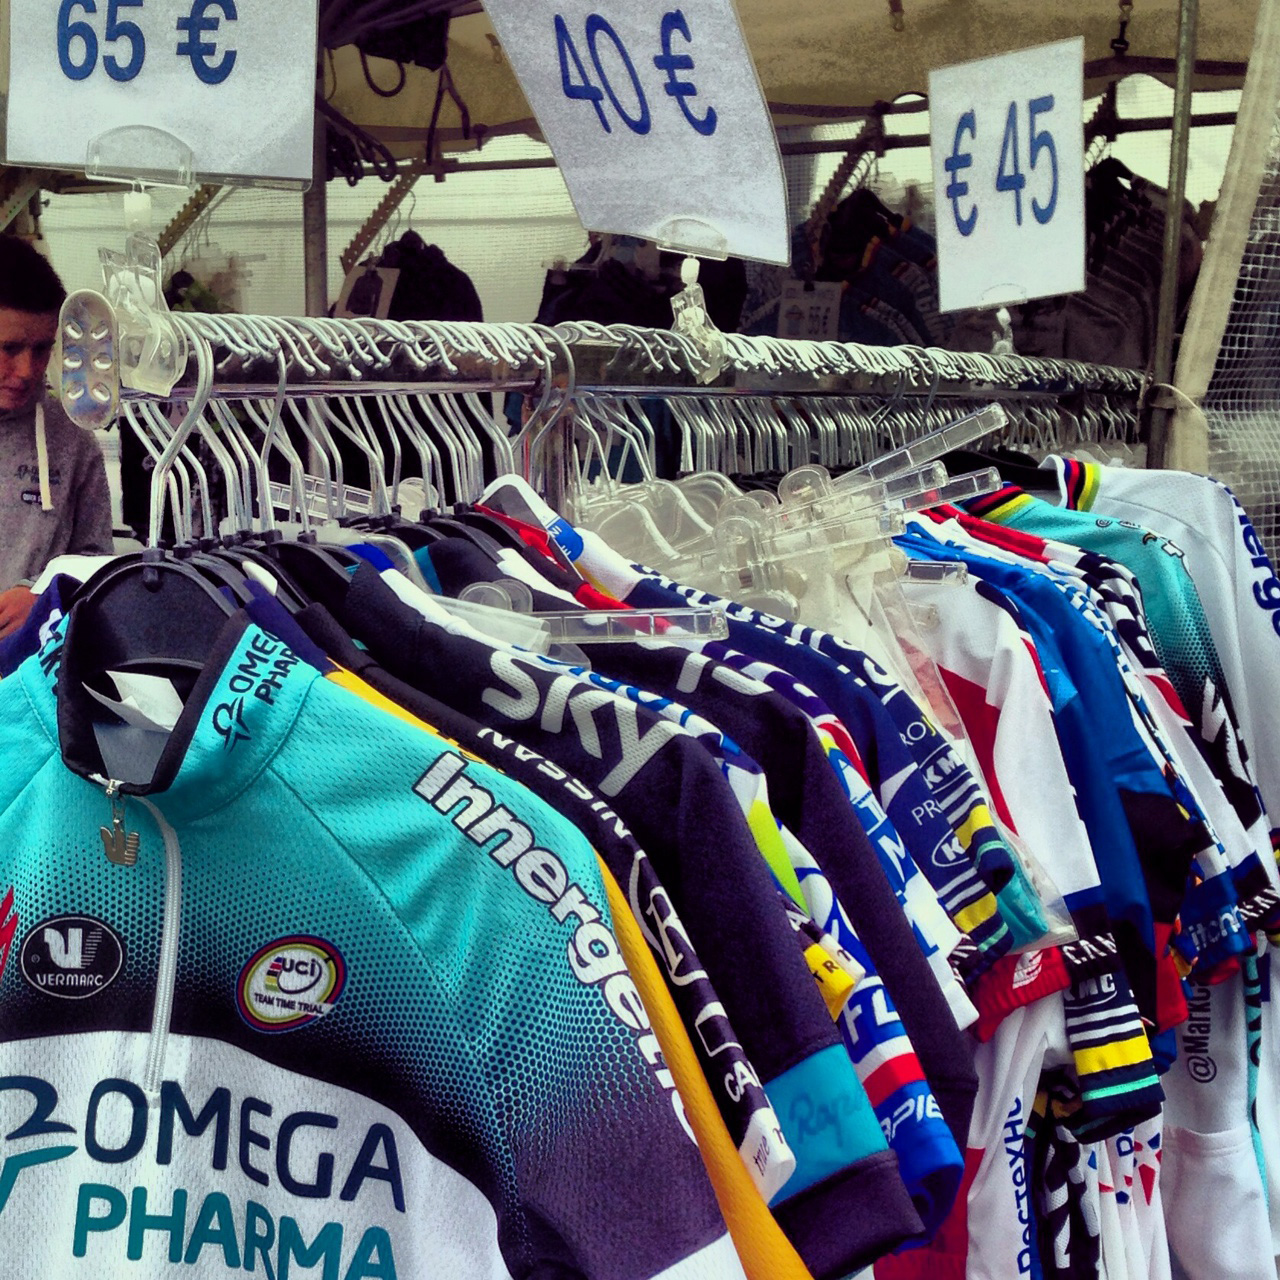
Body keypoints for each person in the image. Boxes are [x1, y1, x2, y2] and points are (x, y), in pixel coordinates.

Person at [0, 236, 113, 636]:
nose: (27, 370)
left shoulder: (71, 436)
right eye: (9, 348)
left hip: (32, 663)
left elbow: (98, 563)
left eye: (42, 349)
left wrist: (46, 595)